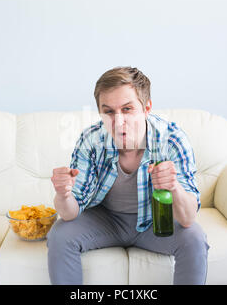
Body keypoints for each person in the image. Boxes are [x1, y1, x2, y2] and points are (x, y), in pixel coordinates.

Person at [48, 66, 209, 284]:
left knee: (194, 238)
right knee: (60, 234)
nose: (118, 122)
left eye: (127, 109)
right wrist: (63, 195)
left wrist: (174, 188)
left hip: (156, 222)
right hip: (105, 220)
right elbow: (69, 213)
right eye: (109, 112)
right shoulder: (91, 140)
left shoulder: (172, 140)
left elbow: (188, 218)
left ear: (146, 108)